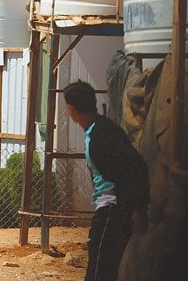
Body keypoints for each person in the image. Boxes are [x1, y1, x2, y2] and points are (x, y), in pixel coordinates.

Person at [63, 81, 149, 281]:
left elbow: (135, 166)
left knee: (100, 269)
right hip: (111, 207)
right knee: (102, 265)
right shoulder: (97, 130)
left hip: (114, 208)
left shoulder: (103, 133)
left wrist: (139, 208)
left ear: (71, 108)